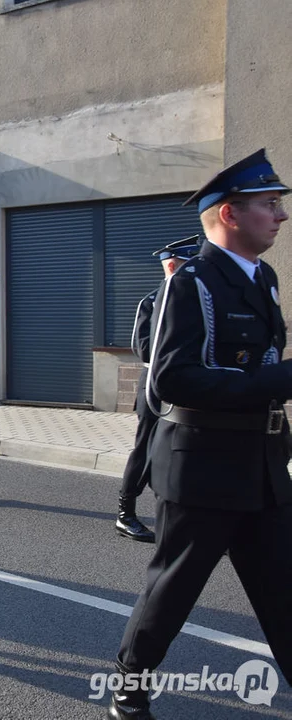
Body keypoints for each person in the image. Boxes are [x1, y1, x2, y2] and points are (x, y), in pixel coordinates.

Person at [109, 150, 292, 719]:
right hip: (204, 469)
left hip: (260, 464)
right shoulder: (191, 282)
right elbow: (169, 378)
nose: (280, 216)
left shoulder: (265, 277)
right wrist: (277, 380)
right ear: (231, 215)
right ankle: (129, 684)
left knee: (284, 590)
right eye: (269, 204)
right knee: (172, 591)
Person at [114, 237, 200, 544]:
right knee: (146, 449)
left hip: (189, 390)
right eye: (191, 264)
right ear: (174, 265)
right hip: (155, 386)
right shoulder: (152, 302)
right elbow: (144, 349)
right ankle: (126, 514)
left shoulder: (200, 302)